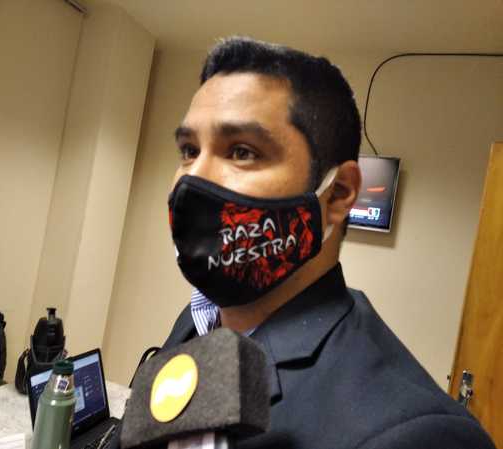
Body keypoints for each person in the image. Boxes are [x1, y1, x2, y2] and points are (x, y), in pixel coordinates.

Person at [159, 37, 496, 448]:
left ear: (337, 195)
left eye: (242, 152)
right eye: (189, 150)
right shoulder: (200, 318)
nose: (193, 179)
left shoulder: (416, 434)